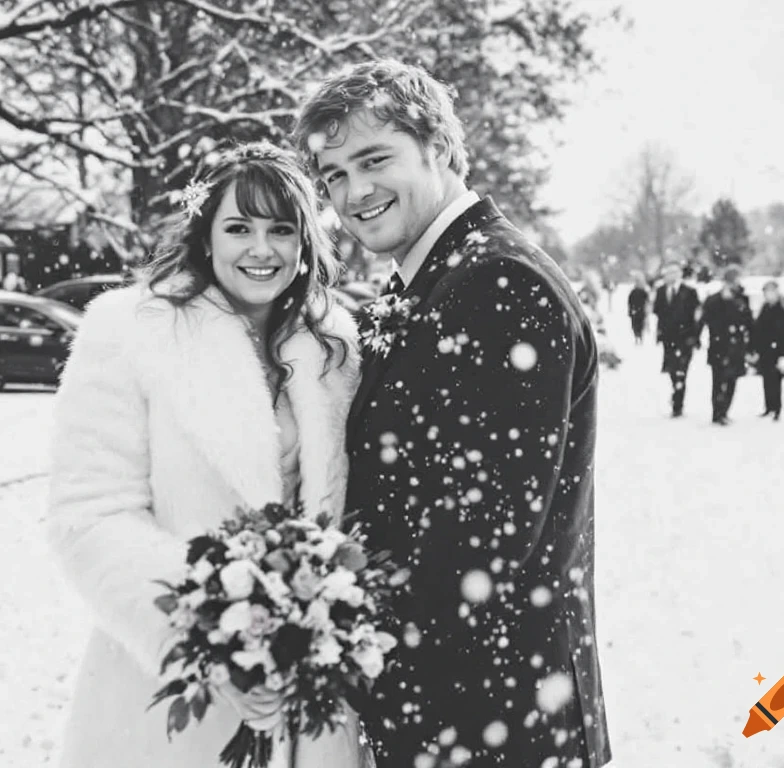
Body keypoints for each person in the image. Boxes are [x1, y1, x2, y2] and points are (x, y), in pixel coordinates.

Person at [293, 59, 612, 768]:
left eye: (375, 159)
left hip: (489, 719)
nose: (354, 191)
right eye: (335, 174)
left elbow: (482, 539)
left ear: (437, 145)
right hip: (460, 712)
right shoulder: (437, 281)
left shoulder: (498, 283)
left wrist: (324, 629)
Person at [46, 142, 363, 768]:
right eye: (239, 227)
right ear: (205, 233)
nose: (261, 250)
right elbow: (89, 515)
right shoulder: (130, 331)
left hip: (307, 697)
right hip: (165, 693)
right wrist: (210, 635)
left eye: (281, 230)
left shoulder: (335, 347)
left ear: (305, 242)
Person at [698, 267, 753, 425]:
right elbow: (706, 319)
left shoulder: (742, 299)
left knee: (731, 381)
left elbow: (748, 321)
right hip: (719, 346)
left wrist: (750, 345)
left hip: (736, 347)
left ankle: (724, 410)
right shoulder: (714, 300)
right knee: (718, 380)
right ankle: (717, 412)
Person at [652, 262, 701, 417]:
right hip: (668, 339)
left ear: (679, 274)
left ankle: (677, 403)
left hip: (685, 339)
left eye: (673, 273)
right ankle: (676, 392)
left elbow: (696, 317)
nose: (670, 276)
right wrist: (659, 334)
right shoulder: (660, 291)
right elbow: (658, 312)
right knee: (672, 370)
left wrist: (695, 337)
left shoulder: (690, 292)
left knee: (681, 370)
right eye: (667, 273)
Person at [750, 280, 784, 420]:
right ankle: (768, 406)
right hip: (765, 349)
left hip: (778, 349)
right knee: (766, 379)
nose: (769, 295)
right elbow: (758, 328)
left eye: (771, 292)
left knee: (776, 379)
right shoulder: (765, 308)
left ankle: (777, 408)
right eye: (766, 292)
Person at [627, 271, 650, 344]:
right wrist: (630, 310)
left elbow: (647, 301)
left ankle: (640, 337)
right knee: (635, 325)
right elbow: (629, 302)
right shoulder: (633, 292)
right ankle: (637, 337)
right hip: (635, 311)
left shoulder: (643, 291)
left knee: (640, 325)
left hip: (640, 311)